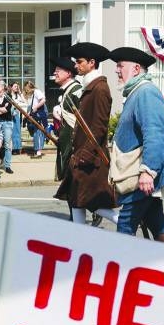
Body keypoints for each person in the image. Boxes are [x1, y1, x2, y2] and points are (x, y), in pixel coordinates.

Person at [108, 48, 164, 242]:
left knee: (125, 225)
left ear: (136, 69)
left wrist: (148, 171)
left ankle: (122, 269)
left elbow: (156, 133)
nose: (116, 70)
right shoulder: (136, 92)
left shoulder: (146, 92)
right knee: (156, 221)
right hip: (138, 172)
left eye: (120, 66)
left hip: (141, 173)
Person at [54, 42, 120, 227]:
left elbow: (99, 127)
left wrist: (84, 155)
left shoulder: (100, 89)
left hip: (90, 157)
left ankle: (124, 224)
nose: (76, 65)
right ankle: (79, 238)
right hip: (82, 154)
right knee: (76, 200)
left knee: (90, 202)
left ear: (92, 63)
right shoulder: (90, 86)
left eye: (80, 62)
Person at [51, 56, 82, 184]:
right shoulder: (67, 91)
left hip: (74, 150)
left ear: (69, 73)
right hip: (66, 148)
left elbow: (82, 123)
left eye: (58, 70)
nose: (54, 72)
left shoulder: (77, 91)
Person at [0, 80, 15, 174]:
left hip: (7, 123)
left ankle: (7, 165)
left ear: (2, 87)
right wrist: (0, 109)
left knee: (7, 145)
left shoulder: (9, 97)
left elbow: (6, 110)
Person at [24, 80, 48, 158]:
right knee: (34, 132)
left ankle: (38, 152)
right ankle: (37, 149)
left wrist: (36, 107)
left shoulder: (37, 92)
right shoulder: (30, 95)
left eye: (27, 89)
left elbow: (43, 100)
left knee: (38, 132)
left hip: (39, 114)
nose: (26, 90)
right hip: (33, 115)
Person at [10, 81, 24, 153]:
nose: (16, 88)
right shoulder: (9, 95)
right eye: (15, 86)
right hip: (10, 115)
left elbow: (24, 101)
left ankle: (17, 148)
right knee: (12, 131)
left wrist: (19, 92)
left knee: (17, 131)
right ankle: (13, 148)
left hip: (17, 115)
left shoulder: (17, 96)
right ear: (11, 87)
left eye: (17, 86)